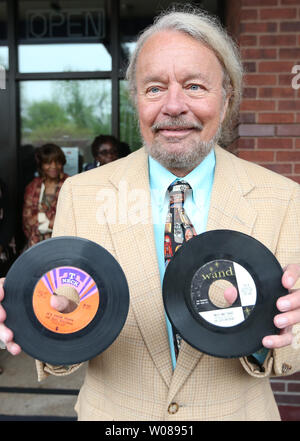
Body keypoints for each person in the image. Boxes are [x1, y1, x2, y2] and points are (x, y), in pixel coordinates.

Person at [1, 8, 300, 421]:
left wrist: (284, 331)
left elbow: (294, 341)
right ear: (136, 99)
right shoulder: (82, 194)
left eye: (195, 86)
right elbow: (65, 314)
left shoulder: (284, 198)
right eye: (155, 88)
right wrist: (30, 316)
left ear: (227, 97)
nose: (173, 106)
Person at [22, 143, 68, 248]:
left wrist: (40, 218)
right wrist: (51, 223)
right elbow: (27, 221)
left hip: (62, 244)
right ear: (41, 165)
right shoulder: (33, 186)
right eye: (48, 162)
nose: (54, 166)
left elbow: (69, 220)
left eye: (57, 162)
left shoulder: (69, 184)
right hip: (35, 244)